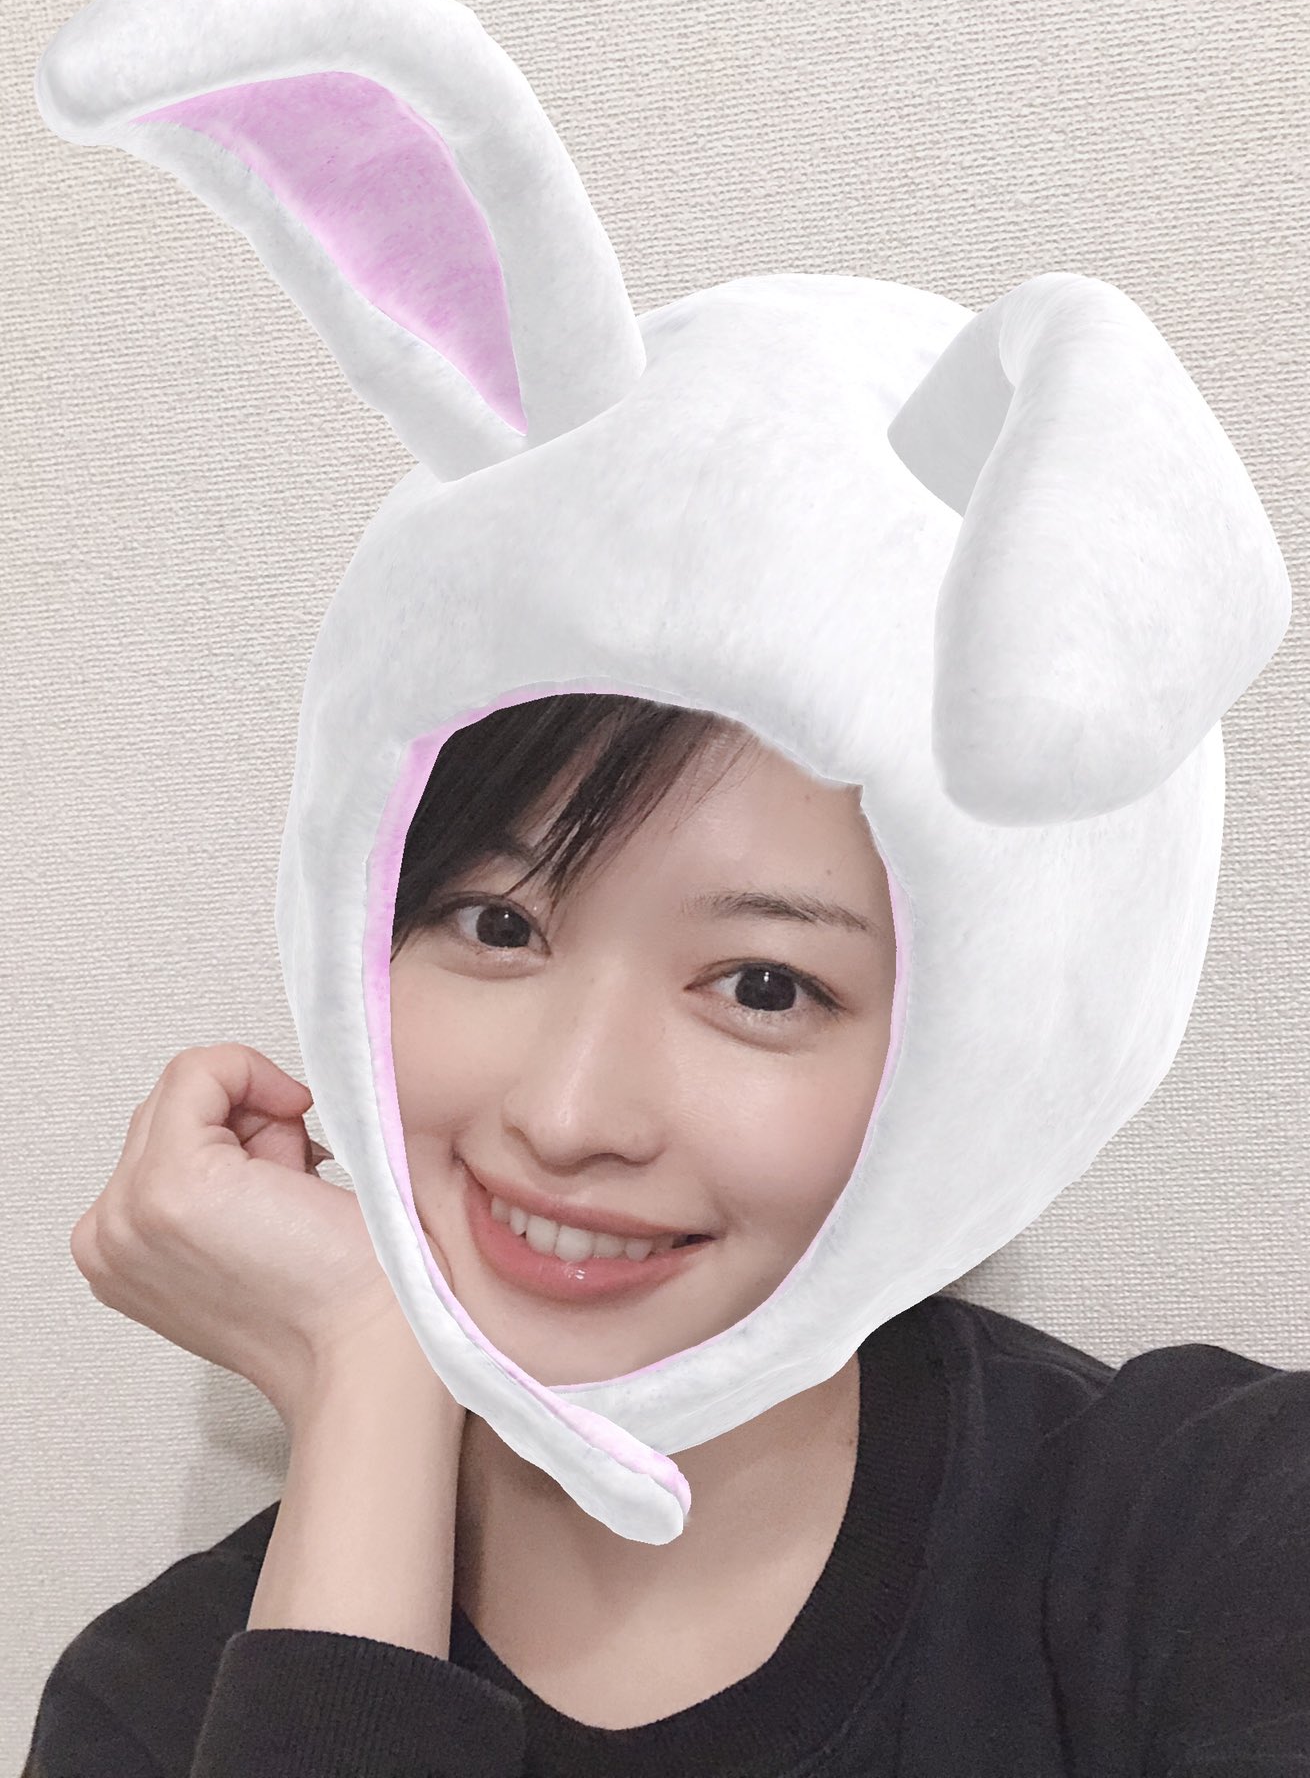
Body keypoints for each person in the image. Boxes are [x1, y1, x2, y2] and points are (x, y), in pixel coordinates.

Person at [22, 693, 1310, 1778]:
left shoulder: (1214, 1539)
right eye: (499, 923)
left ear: (960, 1061)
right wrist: (369, 1362)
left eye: (763, 985)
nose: (566, 1114)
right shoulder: (161, 1708)